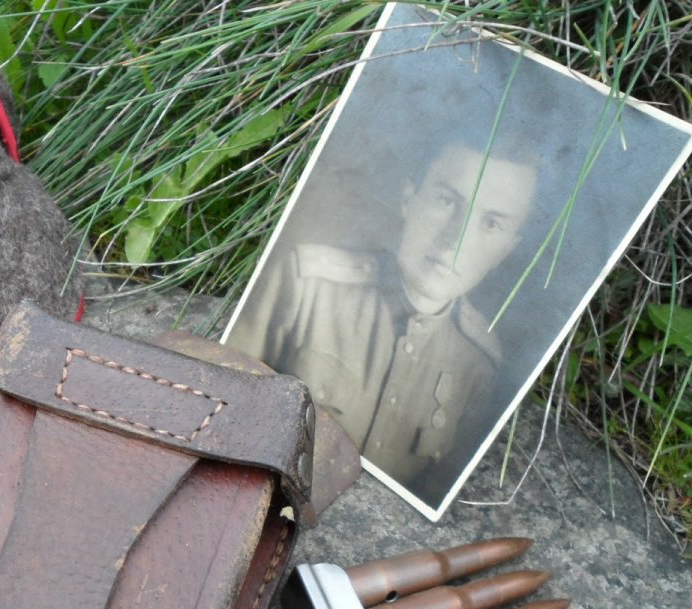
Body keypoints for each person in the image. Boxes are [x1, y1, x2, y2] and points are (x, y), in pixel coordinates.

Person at [228, 137, 538, 491]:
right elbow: (226, 404)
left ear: (507, 249)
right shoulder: (305, 284)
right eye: (447, 201)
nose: (457, 239)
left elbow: (432, 493)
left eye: (491, 224)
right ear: (409, 197)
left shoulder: (479, 362)